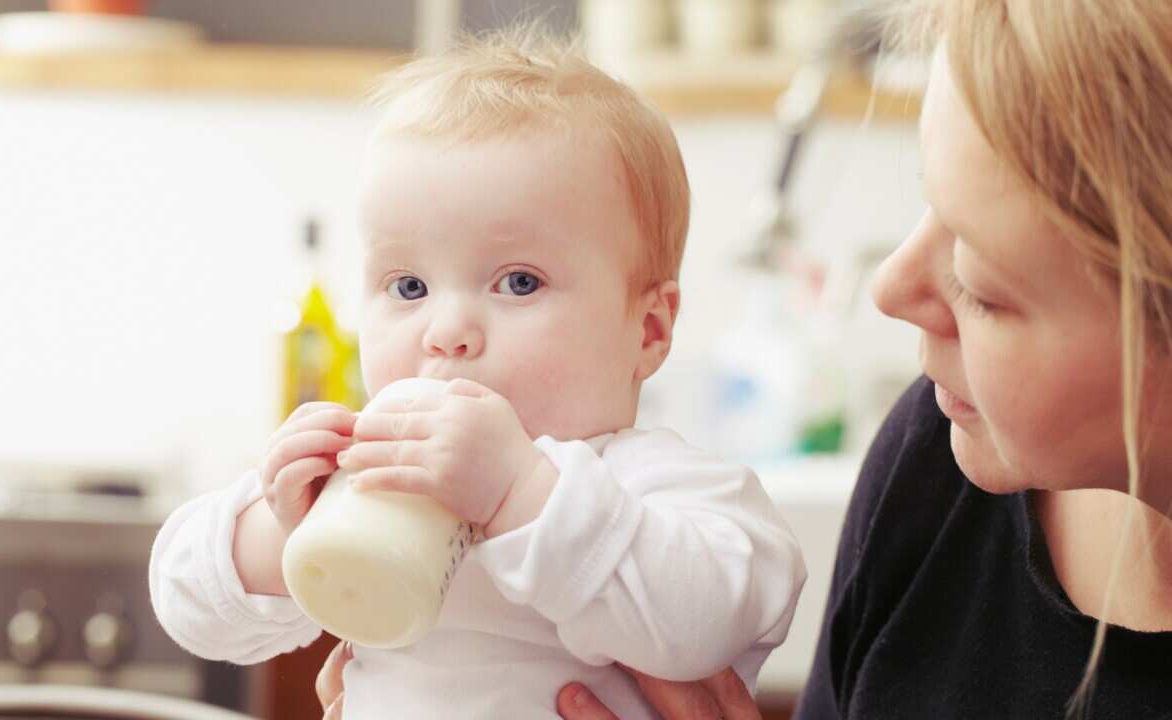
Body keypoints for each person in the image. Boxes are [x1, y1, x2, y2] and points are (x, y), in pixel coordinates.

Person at [435, 0, 1168, 718]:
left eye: (979, 281)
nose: (890, 288)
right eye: (926, 202)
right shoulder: (938, 459)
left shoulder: (678, 499)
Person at [149, 26, 807, 719]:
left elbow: (705, 621)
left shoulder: (665, 489)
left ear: (647, 330)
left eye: (519, 282)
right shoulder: (368, 479)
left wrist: (521, 493)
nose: (447, 330)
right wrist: (280, 528)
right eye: (408, 287)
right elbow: (185, 602)